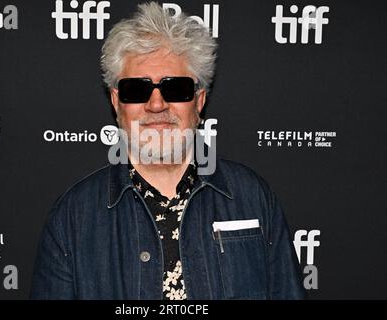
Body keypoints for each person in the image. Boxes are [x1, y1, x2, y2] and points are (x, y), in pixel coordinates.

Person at [31, 2, 305, 300]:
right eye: (137, 89)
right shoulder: (74, 217)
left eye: (175, 89)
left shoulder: (251, 197)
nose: (157, 104)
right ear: (116, 102)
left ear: (199, 102)